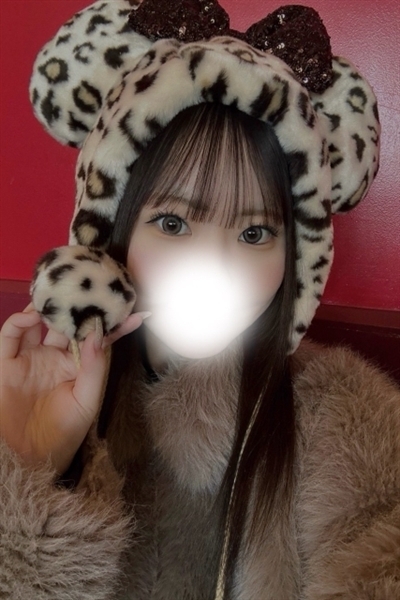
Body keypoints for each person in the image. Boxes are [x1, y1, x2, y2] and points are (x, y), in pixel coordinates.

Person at [1, 2, 399, 599]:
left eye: (255, 233)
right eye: (173, 223)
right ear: (109, 227)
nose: (215, 268)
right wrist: (28, 469)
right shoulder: (35, 395)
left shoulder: (348, 420)